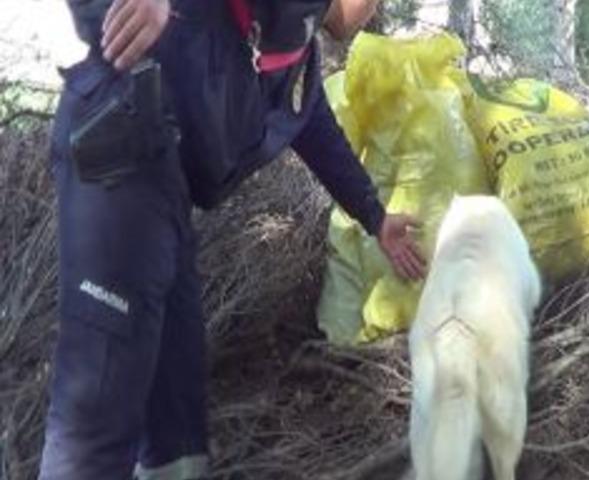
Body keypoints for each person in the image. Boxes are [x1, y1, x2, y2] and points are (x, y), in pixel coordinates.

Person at [39, 0, 425, 478]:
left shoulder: (292, 46)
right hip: (118, 155)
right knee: (97, 412)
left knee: (176, 427)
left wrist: (376, 217)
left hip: (167, 195)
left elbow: (307, 118)